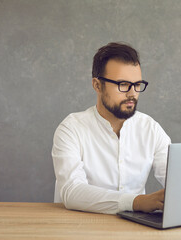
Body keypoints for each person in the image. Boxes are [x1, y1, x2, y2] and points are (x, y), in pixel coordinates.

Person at [52, 42, 171, 214]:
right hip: (79, 228)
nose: (132, 94)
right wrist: (136, 202)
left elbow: (178, 182)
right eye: (123, 84)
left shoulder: (150, 129)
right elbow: (72, 191)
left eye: (137, 84)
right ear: (97, 85)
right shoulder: (71, 129)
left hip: (134, 229)